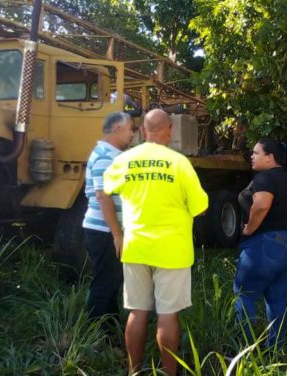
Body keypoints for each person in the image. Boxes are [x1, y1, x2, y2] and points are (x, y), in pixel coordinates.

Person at [102, 109, 208, 376]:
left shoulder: (125, 160)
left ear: (142, 130)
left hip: (136, 246)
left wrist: (117, 234)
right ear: (169, 129)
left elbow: (103, 193)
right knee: (167, 314)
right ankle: (169, 373)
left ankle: (134, 371)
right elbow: (200, 207)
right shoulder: (179, 162)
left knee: (137, 312)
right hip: (173, 250)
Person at [235, 138, 287, 350]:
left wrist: (249, 229)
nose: (252, 156)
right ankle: (276, 348)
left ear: (270, 157)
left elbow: (260, 206)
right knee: (277, 298)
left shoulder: (266, 177)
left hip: (272, 243)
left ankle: (243, 351)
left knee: (244, 295)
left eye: (256, 153)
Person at [82, 111, 135, 339]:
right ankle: (96, 333)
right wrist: (117, 234)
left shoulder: (109, 153)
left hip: (104, 229)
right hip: (104, 231)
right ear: (117, 129)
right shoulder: (106, 156)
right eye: (130, 128)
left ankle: (110, 330)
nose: (132, 134)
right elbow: (103, 196)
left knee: (111, 281)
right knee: (105, 282)